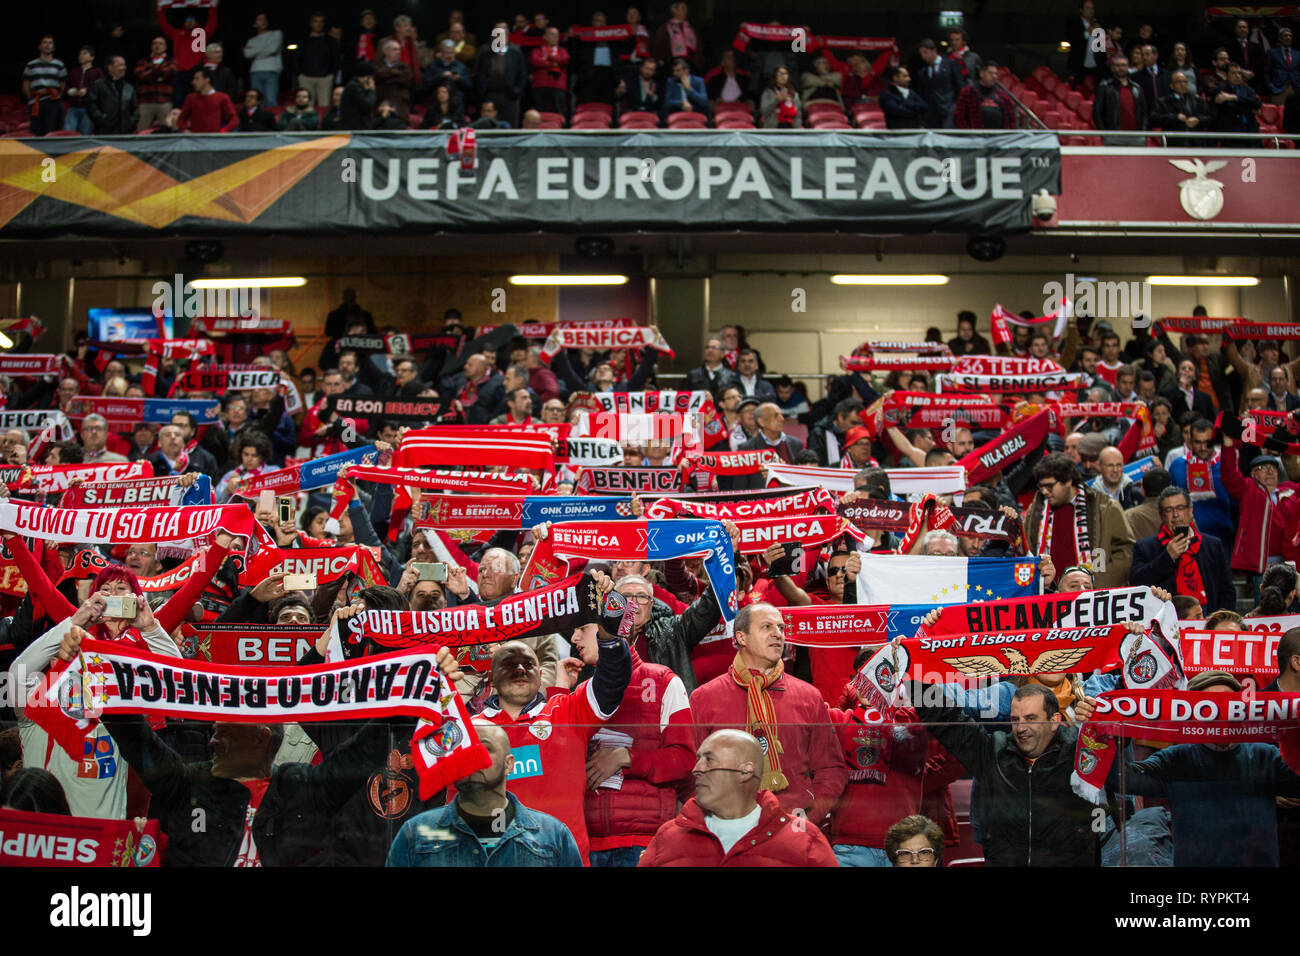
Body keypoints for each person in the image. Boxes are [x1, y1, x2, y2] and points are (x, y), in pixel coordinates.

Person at [908, 680, 1100, 866]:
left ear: (1054, 721)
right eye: (1015, 719)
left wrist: (1099, 721)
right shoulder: (993, 753)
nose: (1021, 728)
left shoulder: (1079, 754)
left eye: (1031, 718)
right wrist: (908, 672)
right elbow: (946, 716)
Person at [689, 603, 849, 826]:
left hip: (792, 826)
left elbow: (831, 769)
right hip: (727, 827)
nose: (778, 634)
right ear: (741, 638)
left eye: (781, 628)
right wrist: (711, 822)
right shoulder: (704, 698)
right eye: (766, 626)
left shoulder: (809, 696)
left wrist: (809, 815)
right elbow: (691, 772)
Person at [1120, 670, 1300, 866]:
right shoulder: (1175, 760)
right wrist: (1112, 734)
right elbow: (1122, 780)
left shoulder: (1266, 757)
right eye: (1211, 705)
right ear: (1194, 712)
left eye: (1228, 704)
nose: (1221, 712)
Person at [555, 618, 695, 867]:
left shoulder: (664, 681)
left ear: (608, 631)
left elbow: (684, 759)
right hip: (587, 838)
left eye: (582, 630)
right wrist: (561, 690)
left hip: (642, 840)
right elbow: (554, 755)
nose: (574, 639)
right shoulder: (583, 692)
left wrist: (627, 757)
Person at [386, 721, 582, 867]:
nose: (472, 758)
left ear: (509, 764)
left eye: (484, 748)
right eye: (463, 750)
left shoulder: (554, 836)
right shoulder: (415, 833)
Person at [638, 730, 839, 866]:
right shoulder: (667, 837)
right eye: (698, 759)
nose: (696, 769)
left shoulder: (804, 841)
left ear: (745, 771)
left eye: (709, 760)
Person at [1026, 452, 1134, 589]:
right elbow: (1027, 551)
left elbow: (1124, 552)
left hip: (1094, 596)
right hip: (1051, 596)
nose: (1044, 492)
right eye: (1041, 487)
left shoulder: (1105, 507)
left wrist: (1098, 586)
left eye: (1049, 486)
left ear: (1068, 480)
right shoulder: (1036, 511)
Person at [1130, 486, 1235, 613]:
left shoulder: (1212, 545)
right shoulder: (1146, 546)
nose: (1175, 515)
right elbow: (1137, 583)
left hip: (1207, 618)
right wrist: (1167, 557)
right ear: (1162, 516)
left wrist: (1219, 620)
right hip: (1166, 619)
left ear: (1191, 510)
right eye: (1169, 510)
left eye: (1180, 508)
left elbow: (1226, 589)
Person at [22, 35, 67, 137]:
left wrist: (57, 96)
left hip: (53, 102)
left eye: (50, 43)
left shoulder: (59, 65)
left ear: (53, 47)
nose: (48, 45)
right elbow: (26, 83)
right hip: (36, 102)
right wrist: (31, 97)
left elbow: (63, 84)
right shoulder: (31, 65)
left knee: (51, 132)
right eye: (45, 42)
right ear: (40, 46)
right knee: (36, 133)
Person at [914, 39, 964, 128]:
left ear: (934, 51)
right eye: (921, 53)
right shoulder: (922, 72)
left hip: (949, 110)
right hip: (931, 114)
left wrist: (956, 107)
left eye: (925, 52)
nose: (923, 56)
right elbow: (922, 94)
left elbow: (960, 87)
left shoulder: (951, 64)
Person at [1093, 54, 1147, 132]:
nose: (1121, 68)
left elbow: (1144, 112)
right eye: (1117, 65)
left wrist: (1143, 131)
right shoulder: (1104, 87)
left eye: (1123, 65)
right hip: (1113, 134)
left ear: (1128, 67)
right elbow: (1097, 113)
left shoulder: (1137, 88)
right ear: (1112, 68)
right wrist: (1104, 133)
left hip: (1136, 134)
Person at [297, 12, 339, 111]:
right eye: (315, 21)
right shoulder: (303, 40)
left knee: (324, 107)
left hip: (325, 78)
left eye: (321, 22)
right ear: (311, 24)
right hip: (306, 77)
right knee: (306, 107)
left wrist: (331, 74)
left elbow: (335, 59)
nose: (318, 24)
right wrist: (299, 74)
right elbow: (296, 58)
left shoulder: (331, 40)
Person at [86, 55, 137, 135]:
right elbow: (91, 104)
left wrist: (131, 122)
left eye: (124, 65)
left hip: (125, 131)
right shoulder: (98, 84)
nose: (123, 68)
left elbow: (135, 108)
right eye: (120, 65)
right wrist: (101, 119)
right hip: (104, 131)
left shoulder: (129, 87)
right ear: (110, 67)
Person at [954, 61, 1015, 129]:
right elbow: (959, 117)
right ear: (981, 73)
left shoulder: (1003, 95)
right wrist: (970, 134)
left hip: (999, 137)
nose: (994, 76)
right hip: (975, 137)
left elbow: (1011, 119)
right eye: (990, 73)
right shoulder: (968, 92)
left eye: (996, 74)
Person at [134, 36, 176, 132]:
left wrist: (150, 72)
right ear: (151, 46)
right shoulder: (142, 61)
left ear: (165, 47)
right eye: (155, 43)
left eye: (161, 43)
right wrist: (159, 75)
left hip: (165, 101)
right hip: (146, 101)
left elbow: (169, 73)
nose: (158, 46)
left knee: (166, 130)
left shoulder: (171, 61)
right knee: (141, 131)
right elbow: (140, 76)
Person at [243, 12, 283, 109]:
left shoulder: (276, 34)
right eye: (260, 19)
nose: (263, 21)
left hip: (271, 70)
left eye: (264, 19)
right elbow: (247, 54)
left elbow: (273, 49)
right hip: (255, 71)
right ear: (255, 24)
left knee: (270, 100)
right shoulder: (251, 40)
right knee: (256, 101)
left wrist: (256, 53)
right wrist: (265, 50)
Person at [180, 68, 237, 133]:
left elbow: (234, 119)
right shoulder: (191, 98)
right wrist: (184, 130)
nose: (193, 82)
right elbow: (181, 118)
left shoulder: (222, 97)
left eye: (197, 79)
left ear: (207, 80)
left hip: (214, 140)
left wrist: (223, 131)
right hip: (195, 140)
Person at [62, 45, 103, 135]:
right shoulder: (73, 72)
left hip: (88, 109)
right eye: (80, 54)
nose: (81, 56)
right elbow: (66, 88)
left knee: (85, 134)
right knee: (68, 133)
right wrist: (72, 92)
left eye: (84, 54)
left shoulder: (97, 72)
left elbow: (101, 89)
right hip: (73, 107)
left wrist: (87, 91)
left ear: (92, 57)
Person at [529, 26, 570, 115]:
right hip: (540, 86)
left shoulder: (563, 51)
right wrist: (553, 63)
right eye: (552, 34)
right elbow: (535, 61)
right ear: (545, 37)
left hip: (558, 86)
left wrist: (548, 57)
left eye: (557, 35)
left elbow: (564, 60)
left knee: (558, 114)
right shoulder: (537, 50)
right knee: (540, 113)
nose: (555, 37)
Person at [339, 62, 376, 130]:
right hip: (355, 129)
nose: (372, 80)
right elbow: (368, 105)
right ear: (366, 77)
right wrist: (371, 90)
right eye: (371, 78)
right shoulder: (354, 87)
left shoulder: (355, 86)